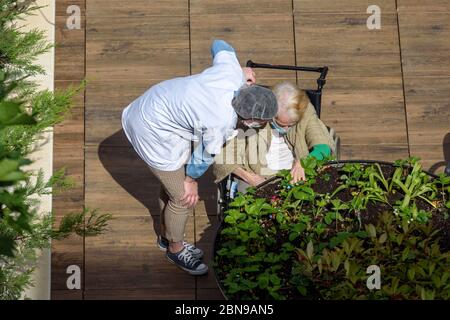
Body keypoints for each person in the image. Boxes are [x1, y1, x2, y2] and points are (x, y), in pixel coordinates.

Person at [121, 40, 278, 275]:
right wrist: (191, 181)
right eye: (262, 122)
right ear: (249, 120)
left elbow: (219, 44)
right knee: (182, 198)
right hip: (152, 133)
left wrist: (241, 72)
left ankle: (167, 236)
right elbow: (203, 157)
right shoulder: (221, 122)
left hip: (152, 103)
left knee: (172, 186)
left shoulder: (230, 72)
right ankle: (174, 249)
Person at [213, 81, 336, 192]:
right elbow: (222, 155)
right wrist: (250, 177)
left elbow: (323, 146)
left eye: (291, 125)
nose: (286, 129)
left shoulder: (305, 112)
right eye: (282, 124)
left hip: (294, 171)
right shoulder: (255, 114)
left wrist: (303, 163)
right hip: (256, 172)